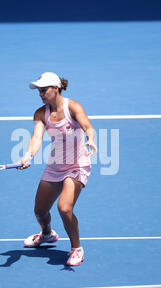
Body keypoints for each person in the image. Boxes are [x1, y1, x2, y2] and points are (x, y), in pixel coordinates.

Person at [18, 72, 97, 266]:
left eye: (44, 90)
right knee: (40, 211)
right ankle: (47, 235)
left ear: (56, 88)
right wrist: (28, 155)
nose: (41, 94)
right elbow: (36, 137)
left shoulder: (73, 107)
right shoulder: (40, 113)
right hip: (55, 166)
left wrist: (91, 139)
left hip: (77, 165)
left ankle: (77, 248)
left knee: (64, 208)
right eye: (39, 91)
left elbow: (88, 126)